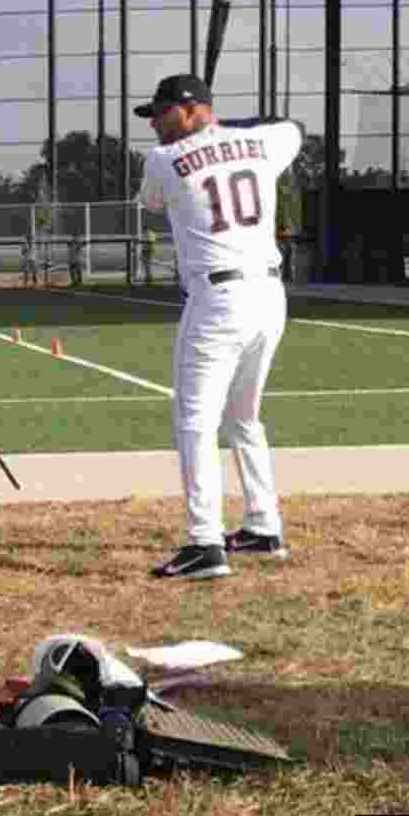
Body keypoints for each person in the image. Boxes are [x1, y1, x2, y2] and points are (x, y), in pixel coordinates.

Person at [134, 73, 302, 580]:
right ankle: (263, 524)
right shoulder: (265, 142)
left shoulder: (162, 161)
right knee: (243, 416)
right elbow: (293, 128)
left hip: (218, 298)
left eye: (161, 114)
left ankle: (204, 542)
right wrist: (234, 130)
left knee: (195, 421)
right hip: (269, 295)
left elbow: (151, 203)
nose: (155, 125)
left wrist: (212, 136)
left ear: (187, 109)